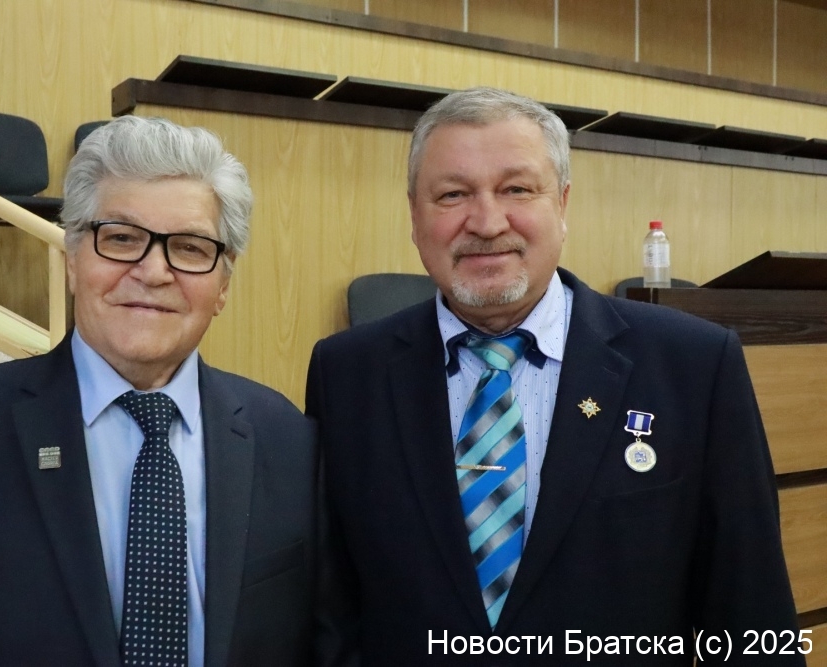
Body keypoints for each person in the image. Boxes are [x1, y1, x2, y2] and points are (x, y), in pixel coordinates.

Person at [307, 88, 802, 665]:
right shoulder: (346, 374)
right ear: (415, 216)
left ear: (562, 204)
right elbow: (331, 613)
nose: (487, 222)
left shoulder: (695, 366)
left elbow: (752, 611)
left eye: (517, 189)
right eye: (452, 194)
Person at [0, 116, 318, 666]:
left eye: (188, 247)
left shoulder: (288, 440)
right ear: (72, 259)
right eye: (122, 238)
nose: (153, 271)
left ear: (223, 284)